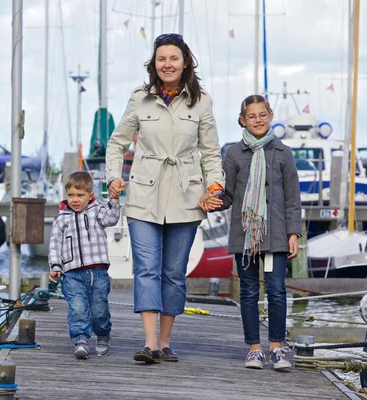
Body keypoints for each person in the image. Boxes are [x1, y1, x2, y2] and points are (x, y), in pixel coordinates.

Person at [105, 33, 225, 364]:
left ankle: (165, 340)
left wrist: (214, 188)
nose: (167, 64)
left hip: (187, 198)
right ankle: (149, 344)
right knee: (146, 268)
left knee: (173, 271)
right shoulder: (139, 98)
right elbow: (117, 144)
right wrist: (114, 177)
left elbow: (211, 153)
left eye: (174, 58)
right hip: (143, 195)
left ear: (185, 61)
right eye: (161, 59)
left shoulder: (201, 101)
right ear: (154, 64)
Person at [214, 94, 301, 370]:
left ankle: (276, 347)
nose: (258, 120)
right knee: (249, 292)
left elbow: (292, 198)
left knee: (276, 291)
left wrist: (293, 233)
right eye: (251, 116)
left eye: (262, 115)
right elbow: (227, 195)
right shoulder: (234, 154)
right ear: (243, 120)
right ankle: (254, 348)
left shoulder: (283, 153)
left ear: (271, 115)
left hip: (275, 235)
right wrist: (212, 199)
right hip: (245, 236)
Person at [48, 171, 121, 359]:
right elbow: (55, 245)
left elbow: (112, 218)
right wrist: (56, 266)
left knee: (99, 309)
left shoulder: (98, 212)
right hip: (72, 273)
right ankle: (80, 339)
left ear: (90, 195)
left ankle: (103, 334)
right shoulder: (61, 220)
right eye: (71, 195)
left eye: (80, 195)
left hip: (97, 271)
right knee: (77, 307)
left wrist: (114, 201)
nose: (75, 199)